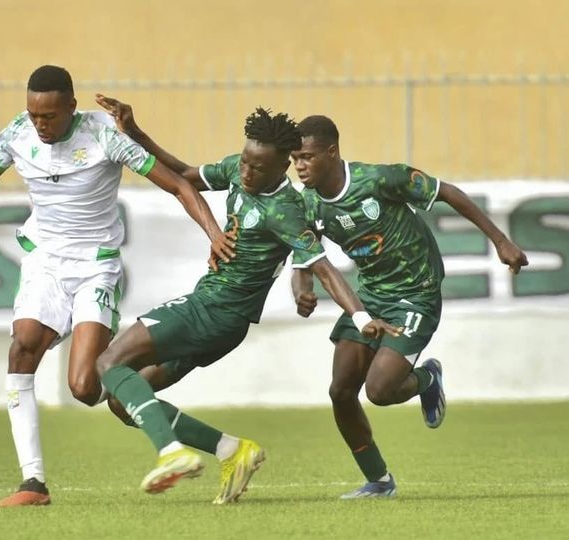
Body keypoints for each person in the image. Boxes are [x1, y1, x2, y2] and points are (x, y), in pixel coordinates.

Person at [0, 65, 234, 508]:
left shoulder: (105, 136)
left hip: (95, 268)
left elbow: (177, 186)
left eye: (49, 116)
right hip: (45, 263)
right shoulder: (18, 133)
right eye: (34, 114)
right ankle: (33, 483)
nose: (41, 124)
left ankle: (187, 405)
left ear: (72, 108)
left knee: (86, 388)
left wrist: (213, 232)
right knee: (23, 346)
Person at [94, 94, 401, 503]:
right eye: (244, 161)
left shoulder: (287, 210)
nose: (246, 172)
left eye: (258, 167)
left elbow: (323, 266)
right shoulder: (237, 172)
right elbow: (184, 172)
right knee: (124, 399)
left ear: (283, 165)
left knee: (108, 362)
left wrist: (361, 317)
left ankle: (171, 453)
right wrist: (134, 132)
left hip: (214, 312)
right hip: (217, 318)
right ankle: (231, 450)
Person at [289, 115, 529, 498]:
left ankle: (428, 379)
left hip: (416, 292)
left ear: (331, 152)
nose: (299, 166)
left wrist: (501, 241)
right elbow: (304, 253)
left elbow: (447, 192)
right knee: (340, 391)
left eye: (307, 156)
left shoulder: (381, 179)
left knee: (380, 391)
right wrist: (301, 286)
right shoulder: (308, 203)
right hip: (368, 295)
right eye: (294, 158)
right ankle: (379, 481)